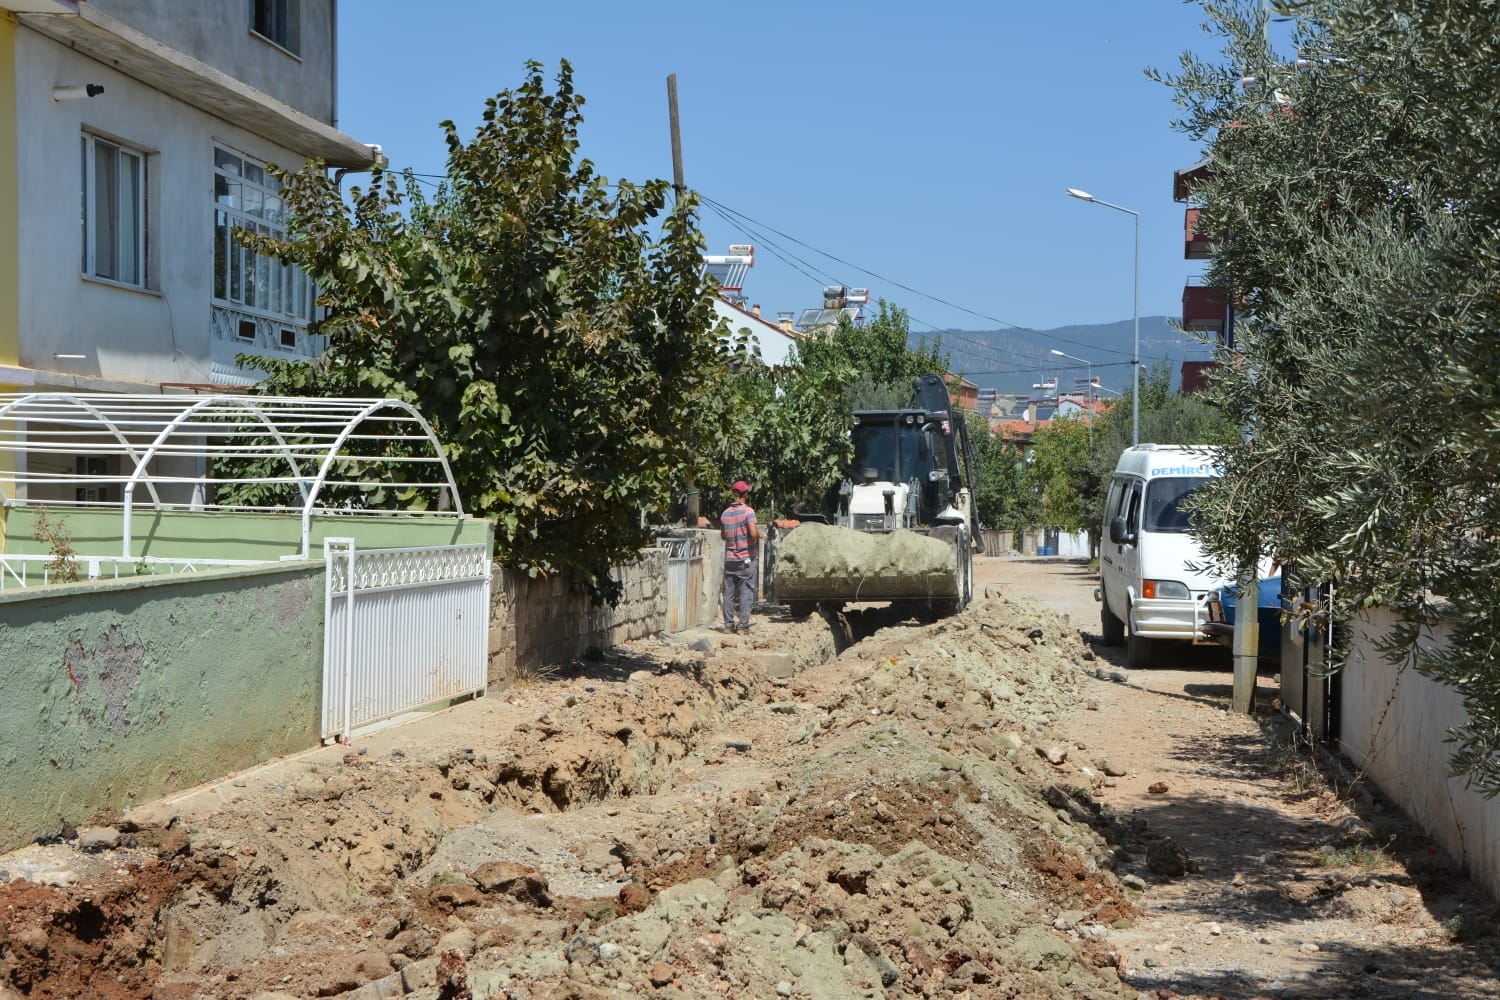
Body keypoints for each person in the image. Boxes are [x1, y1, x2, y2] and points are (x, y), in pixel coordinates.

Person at [720, 479, 760, 633]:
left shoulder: (725, 513)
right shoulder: (748, 512)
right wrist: (759, 534)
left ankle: (728, 625)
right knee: (746, 591)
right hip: (746, 559)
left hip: (730, 558)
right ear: (745, 494)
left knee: (728, 592)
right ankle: (743, 626)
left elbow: (723, 536)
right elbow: (752, 533)